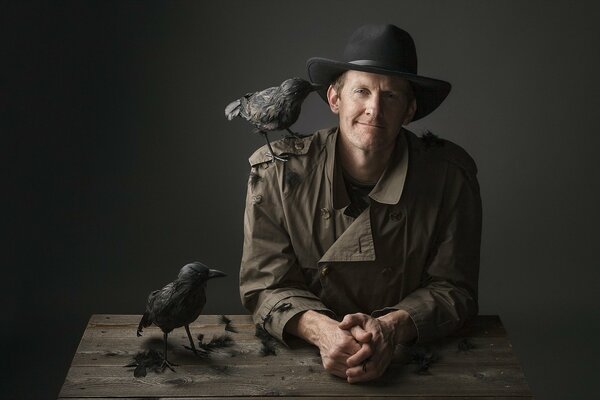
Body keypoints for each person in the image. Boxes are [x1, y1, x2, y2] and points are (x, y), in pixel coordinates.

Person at [239, 24, 482, 383]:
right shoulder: (276, 172)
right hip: (298, 363)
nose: (374, 109)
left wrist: (390, 328)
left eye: (392, 97)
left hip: (412, 366)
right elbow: (263, 284)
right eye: (361, 91)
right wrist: (323, 332)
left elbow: (454, 289)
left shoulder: (449, 178)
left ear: (410, 110)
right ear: (336, 98)